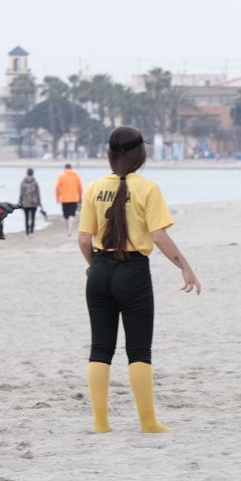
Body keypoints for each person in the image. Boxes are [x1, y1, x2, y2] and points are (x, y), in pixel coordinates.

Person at [78, 126, 201, 433]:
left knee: (100, 349)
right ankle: (147, 422)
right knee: (139, 351)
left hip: (100, 270)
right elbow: (158, 235)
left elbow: (83, 239)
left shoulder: (93, 188)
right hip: (133, 271)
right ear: (140, 154)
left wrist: (98, 266)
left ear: (110, 154)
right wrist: (184, 266)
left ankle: (101, 423)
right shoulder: (148, 188)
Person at [55, 163, 83, 237]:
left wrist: (58, 198)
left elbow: (57, 187)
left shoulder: (61, 176)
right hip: (74, 198)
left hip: (64, 199)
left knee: (66, 215)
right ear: (71, 168)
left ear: (65, 168)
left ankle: (67, 230)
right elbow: (80, 187)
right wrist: (80, 197)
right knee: (72, 214)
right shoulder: (76, 175)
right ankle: (70, 231)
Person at [18, 168, 43, 237]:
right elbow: (38, 194)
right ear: (33, 173)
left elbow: (21, 193)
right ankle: (31, 232)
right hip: (33, 203)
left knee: (26, 218)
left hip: (25, 203)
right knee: (33, 218)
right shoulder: (35, 182)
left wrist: (20, 203)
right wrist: (40, 204)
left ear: (27, 173)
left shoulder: (23, 182)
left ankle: (27, 232)